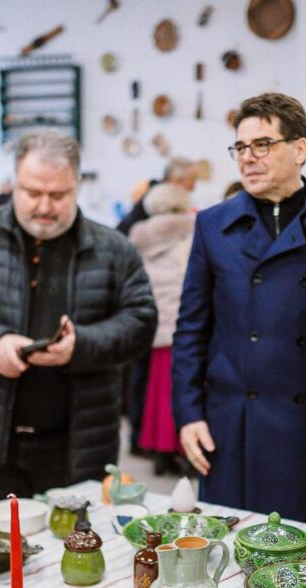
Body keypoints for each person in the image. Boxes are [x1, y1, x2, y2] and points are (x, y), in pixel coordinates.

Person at [0, 128, 157, 514]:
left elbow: (141, 322)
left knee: (74, 557)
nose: (44, 206)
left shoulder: (114, 248)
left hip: (79, 445)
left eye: (58, 195)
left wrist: (80, 346)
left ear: (77, 186)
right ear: (14, 184)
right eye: (32, 193)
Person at [172, 92, 306, 526]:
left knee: (300, 560)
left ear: (299, 149)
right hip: (231, 424)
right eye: (240, 148)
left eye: (262, 145)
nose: (247, 158)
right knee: (227, 550)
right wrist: (188, 414)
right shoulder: (212, 224)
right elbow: (190, 329)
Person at [129, 183, 195, 475]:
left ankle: (159, 454)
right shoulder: (190, 231)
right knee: (183, 389)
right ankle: (183, 451)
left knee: (157, 394)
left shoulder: (140, 237)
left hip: (154, 325)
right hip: (182, 325)